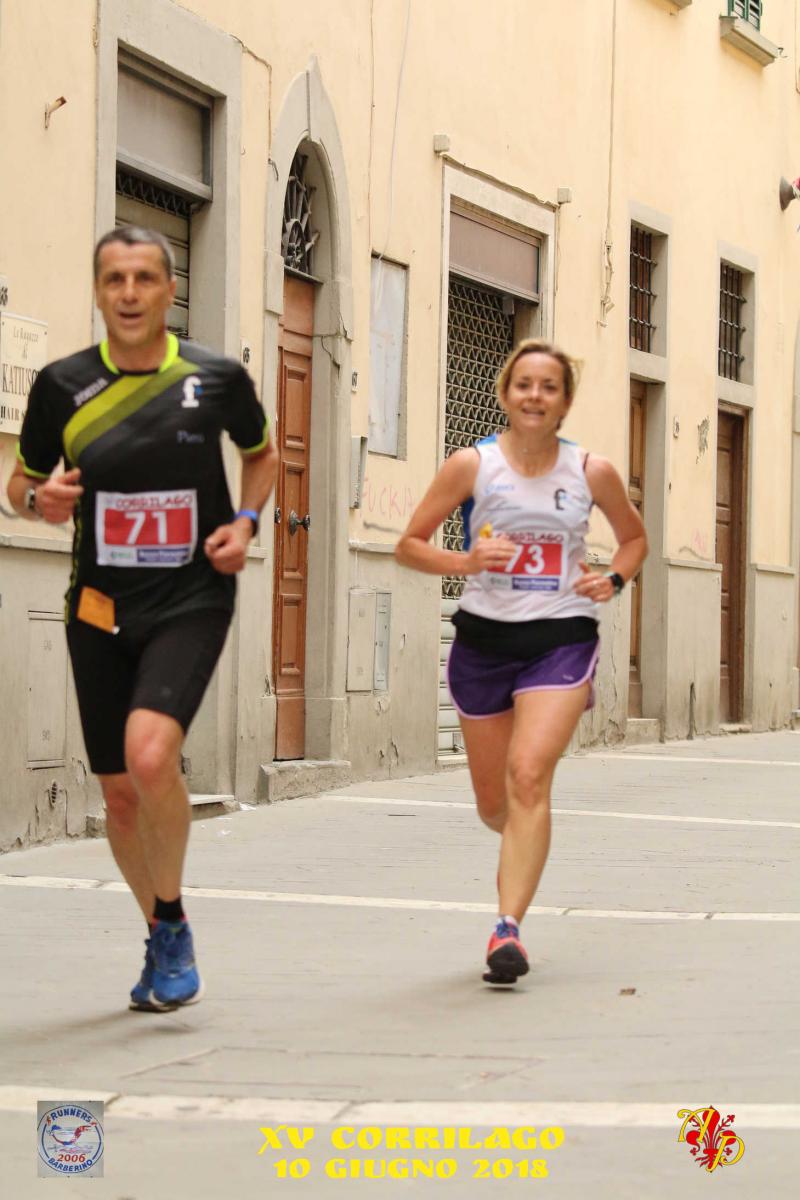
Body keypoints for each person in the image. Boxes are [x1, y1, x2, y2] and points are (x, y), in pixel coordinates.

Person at [8, 226, 278, 1010]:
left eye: (144, 278)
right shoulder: (61, 385)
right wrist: (37, 499)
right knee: (120, 795)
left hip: (192, 595)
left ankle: (170, 919)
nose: (129, 293)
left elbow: (263, 455)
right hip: (97, 606)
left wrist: (246, 523)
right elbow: (20, 485)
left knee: (150, 755)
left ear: (169, 290)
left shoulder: (215, 378)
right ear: (98, 291)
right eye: (114, 279)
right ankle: (165, 928)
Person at [395, 338, 647, 984]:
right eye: (525, 384)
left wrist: (612, 580)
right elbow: (409, 545)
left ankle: (507, 930)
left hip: (561, 637)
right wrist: (466, 561)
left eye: (549, 387)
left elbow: (634, 539)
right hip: (483, 643)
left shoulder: (591, 471)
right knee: (495, 805)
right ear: (506, 394)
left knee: (529, 775)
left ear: (564, 402)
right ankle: (525, 837)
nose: (535, 396)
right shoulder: (470, 466)